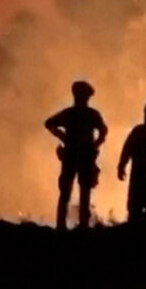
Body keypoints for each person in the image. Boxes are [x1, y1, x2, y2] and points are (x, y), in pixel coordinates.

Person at [45, 80, 108, 230]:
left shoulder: (74, 113)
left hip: (77, 155)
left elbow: (49, 123)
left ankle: (69, 225)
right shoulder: (86, 114)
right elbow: (103, 131)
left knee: (75, 190)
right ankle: (73, 225)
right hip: (77, 155)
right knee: (75, 190)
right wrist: (95, 144)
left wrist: (62, 136)